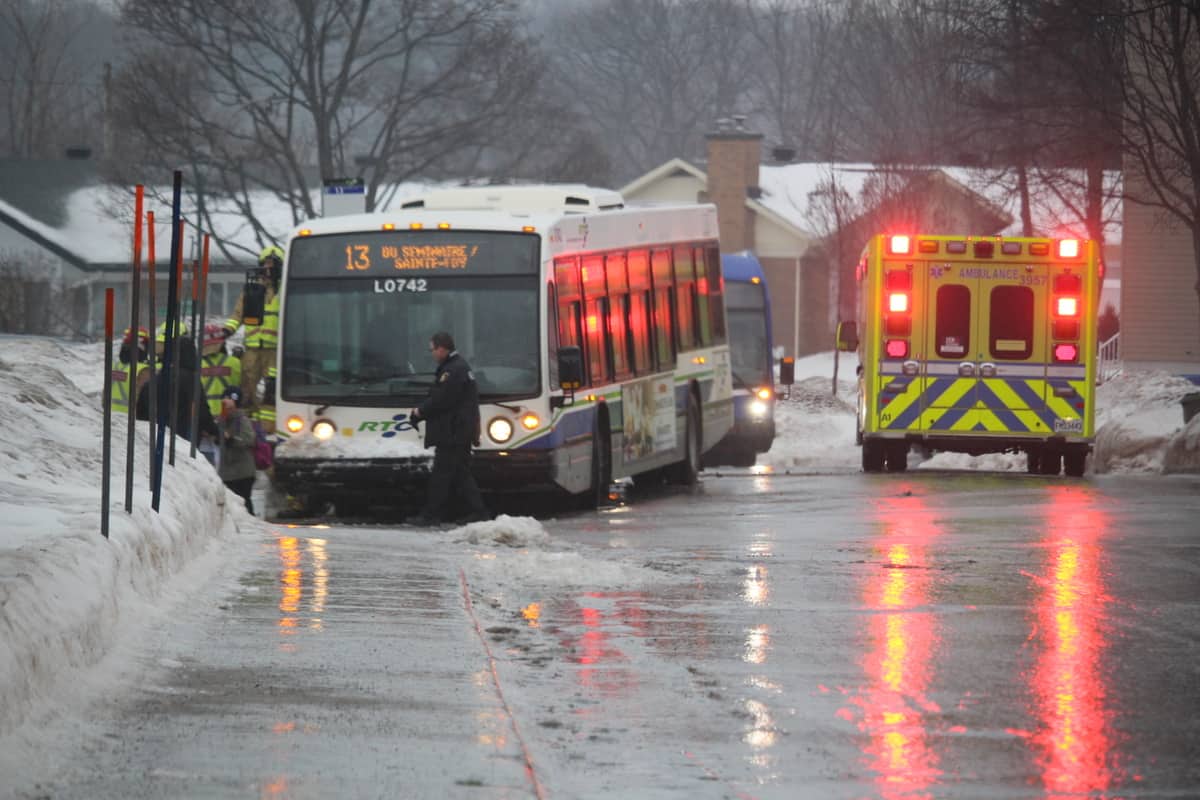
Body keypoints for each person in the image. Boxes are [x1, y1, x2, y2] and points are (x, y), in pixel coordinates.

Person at [407, 332, 491, 526]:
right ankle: (479, 512)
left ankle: (431, 515)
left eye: (433, 349)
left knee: (441, 474)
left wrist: (420, 412)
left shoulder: (453, 370)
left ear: (442, 348)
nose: (432, 354)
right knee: (461, 473)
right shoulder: (457, 367)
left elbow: (442, 399)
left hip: (452, 432)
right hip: (458, 431)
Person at [224, 245, 282, 418]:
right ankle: (249, 422)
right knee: (246, 388)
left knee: (272, 390)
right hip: (252, 349)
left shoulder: (284, 290)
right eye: (265, 264)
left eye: (272, 264)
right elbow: (237, 314)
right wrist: (226, 330)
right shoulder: (251, 289)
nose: (268, 268)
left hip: (275, 351)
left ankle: (268, 425)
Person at [217, 385, 257, 514]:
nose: (225, 402)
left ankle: (250, 522)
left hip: (242, 472)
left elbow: (249, 439)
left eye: (228, 399)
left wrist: (231, 439)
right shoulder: (222, 420)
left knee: (244, 502)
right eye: (224, 399)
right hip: (228, 472)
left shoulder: (241, 419)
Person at [110, 326, 150, 414]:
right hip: (132, 418)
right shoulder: (143, 370)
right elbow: (147, 401)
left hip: (112, 415)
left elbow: (105, 395)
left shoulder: (114, 366)